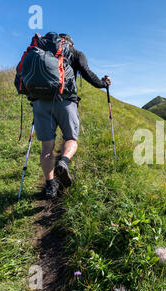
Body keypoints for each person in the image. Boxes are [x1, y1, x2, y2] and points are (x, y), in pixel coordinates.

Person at [32, 33, 111, 199]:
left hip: (40, 102)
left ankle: (50, 186)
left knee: (47, 146)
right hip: (66, 101)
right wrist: (104, 83)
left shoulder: (38, 49)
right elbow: (88, 74)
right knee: (71, 139)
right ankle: (64, 162)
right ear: (70, 44)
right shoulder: (75, 53)